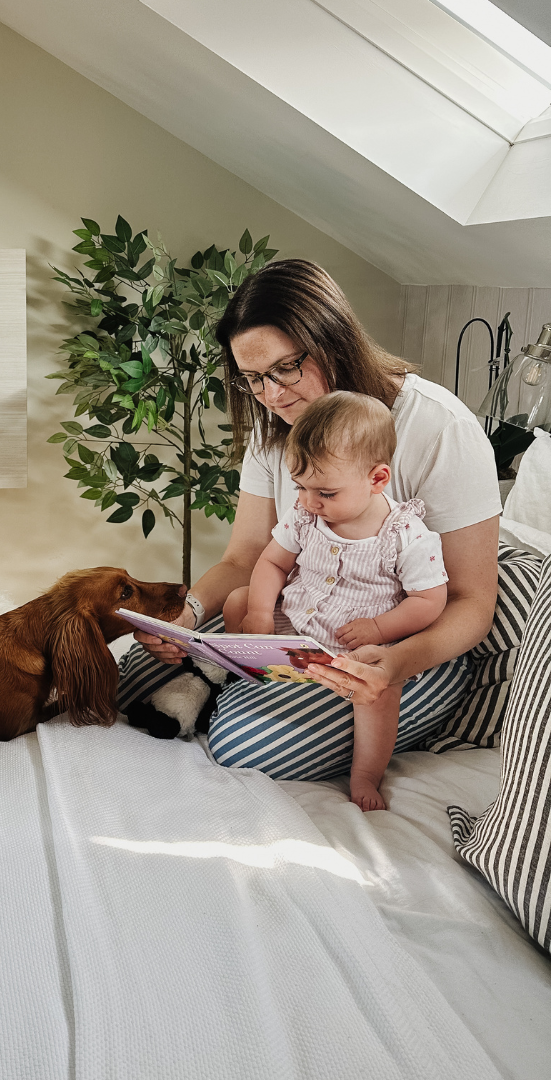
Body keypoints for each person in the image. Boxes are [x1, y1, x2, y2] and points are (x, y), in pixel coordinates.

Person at [118, 259, 500, 783]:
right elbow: (245, 556)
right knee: (125, 681)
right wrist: (187, 615)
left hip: (404, 646)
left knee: (242, 743)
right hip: (296, 623)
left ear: (332, 339)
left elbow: (471, 602)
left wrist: (393, 664)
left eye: (285, 369)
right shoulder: (277, 425)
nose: (273, 396)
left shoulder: (441, 427)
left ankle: (228, 699)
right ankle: (221, 683)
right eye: (254, 379)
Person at [223, 392, 447, 809]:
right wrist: (258, 612)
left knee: (381, 692)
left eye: (325, 492)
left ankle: (365, 773)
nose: (309, 501)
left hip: (352, 647)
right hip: (296, 622)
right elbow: (272, 562)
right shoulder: (306, 513)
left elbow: (430, 601)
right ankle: (240, 675)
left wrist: (381, 629)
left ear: (377, 479)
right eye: (301, 487)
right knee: (237, 600)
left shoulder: (406, 535)